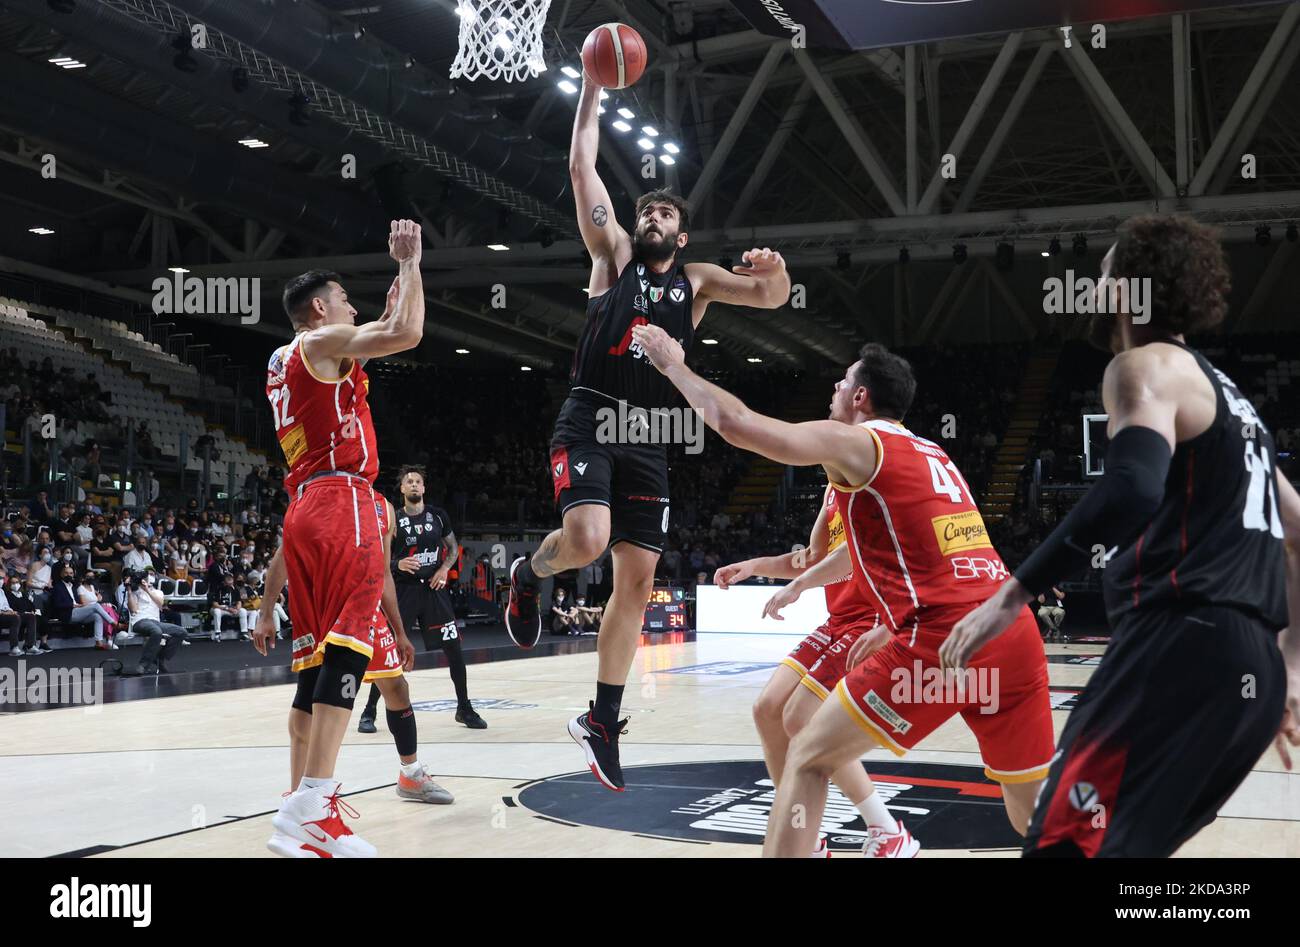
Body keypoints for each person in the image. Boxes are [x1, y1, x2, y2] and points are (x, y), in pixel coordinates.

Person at [941, 214, 1300, 857]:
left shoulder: (1143, 367)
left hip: (1178, 648)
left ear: (1127, 289)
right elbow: (1297, 533)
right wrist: (1290, 669)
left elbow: (1134, 486)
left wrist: (1012, 594)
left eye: (1103, 273)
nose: (1094, 284)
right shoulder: (1233, 404)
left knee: (1061, 848)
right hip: (1251, 678)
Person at [634, 326, 1054, 857]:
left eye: (841, 383)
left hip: (946, 641)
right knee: (1033, 815)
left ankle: (879, 834)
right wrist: (887, 622)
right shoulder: (934, 454)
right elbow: (944, 555)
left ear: (861, 398)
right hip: (1010, 632)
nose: (832, 390)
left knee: (808, 754)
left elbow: (736, 424)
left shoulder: (858, 442)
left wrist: (674, 366)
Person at [504, 71, 792, 791]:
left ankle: (602, 717)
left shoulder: (695, 280)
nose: (655, 215)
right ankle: (528, 573)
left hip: (652, 432)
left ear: (683, 232)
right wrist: (594, 89)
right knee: (590, 542)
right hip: (592, 413)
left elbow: (771, 296)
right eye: (649, 209)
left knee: (637, 580)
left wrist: (777, 272)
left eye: (666, 212)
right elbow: (580, 163)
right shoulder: (613, 259)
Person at [260, 219, 425, 859]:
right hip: (341, 499)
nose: (353, 310)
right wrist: (410, 263)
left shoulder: (286, 361)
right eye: (345, 303)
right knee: (352, 649)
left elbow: (384, 327)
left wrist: (389, 298)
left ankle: (295, 806)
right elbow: (406, 333)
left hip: (303, 506)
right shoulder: (318, 343)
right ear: (321, 310)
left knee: (314, 666)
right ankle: (314, 803)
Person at [715, 483, 905, 857]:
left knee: (800, 719)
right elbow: (814, 557)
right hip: (838, 620)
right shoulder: (832, 491)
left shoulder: (876, 485)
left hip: (872, 619)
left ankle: (886, 829)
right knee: (767, 709)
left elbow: (855, 553)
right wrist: (754, 566)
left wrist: (798, 587)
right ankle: (804, 833)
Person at [358, 467, 485, 732]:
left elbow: (452, 548)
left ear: (424, 488)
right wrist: (397, 564)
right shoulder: (394, 519)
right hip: (403, 591)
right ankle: (369, 711)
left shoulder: (438, 516)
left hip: (433, 590)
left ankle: (464, 708)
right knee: (389, 651)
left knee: (454, 650)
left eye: (418, 481)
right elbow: (380, 560)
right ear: (402, 489)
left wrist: (442, 570)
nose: (414, 485)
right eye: (409, 482)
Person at [122, 571, 184, 676]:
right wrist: (129, 590)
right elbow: (133, 610)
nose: (145, 582)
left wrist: (147, 590)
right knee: (157, 632)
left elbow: (160, 605)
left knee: (181, 632)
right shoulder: (135, 592)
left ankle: (160, 658)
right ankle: (143, 665)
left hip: (155, 621)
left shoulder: (158, 592)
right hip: (140, 621)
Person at [1, 575, 40, 657]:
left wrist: (10, 611)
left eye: (17, 582)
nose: (15, 584)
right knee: (16, 617)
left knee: (31, 616)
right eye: (13, 583)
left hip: (9, 613)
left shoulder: (1, 592)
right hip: (4, 615)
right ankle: (14, 647)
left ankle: (30, 646)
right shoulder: (8, 593)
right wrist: (6, 612)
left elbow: (5, 605)